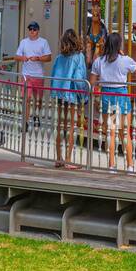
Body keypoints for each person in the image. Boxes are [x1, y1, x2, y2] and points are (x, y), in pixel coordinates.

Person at [90, 32, 136, 174]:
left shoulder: (99, 61)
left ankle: (111, 166)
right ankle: (130, 166)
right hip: (122, 97)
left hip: (107, 96)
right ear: (119, 45)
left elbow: (92, 81)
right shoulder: (125, 60)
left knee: (111, 132)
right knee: (125, 132)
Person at [49, 28, 88, 168]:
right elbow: (78, 79)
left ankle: (58, 158)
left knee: (59, 125)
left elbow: (53, 74)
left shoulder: (60, 57)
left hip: (59, 92)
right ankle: (68, 159)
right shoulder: (79, 56)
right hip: (71, 93)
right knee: (71, 126)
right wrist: (83, 94)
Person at [13, 21, 52, 127]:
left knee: (38, 99)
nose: (32, 31)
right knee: (26, 98)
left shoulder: (43, 42)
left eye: (34, 29)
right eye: (30, 29)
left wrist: (38, 58)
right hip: (27, 76)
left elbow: (49, 57)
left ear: (38, 31)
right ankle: (25, 122)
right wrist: (23, 58)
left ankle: (36, 116)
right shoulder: (24, 42)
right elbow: (16, 56)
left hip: (39, 75)